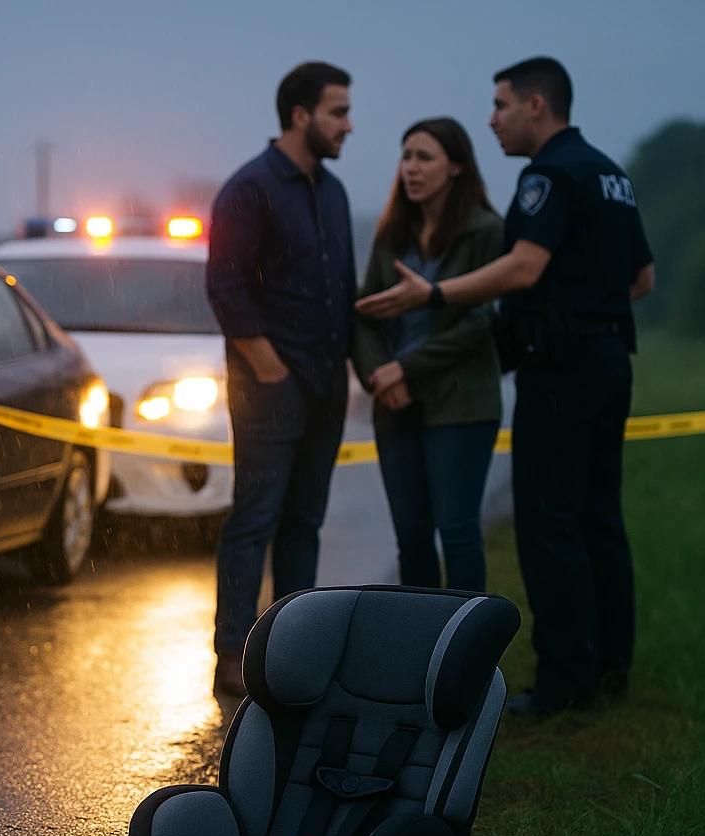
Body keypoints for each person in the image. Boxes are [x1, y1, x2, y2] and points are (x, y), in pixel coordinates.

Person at [357, 57, 655, 717]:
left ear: (537, 106)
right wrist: (588, 303)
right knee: (600, 518)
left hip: (562, 369)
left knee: (549, 525)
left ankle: (563, 684)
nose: (492, 119)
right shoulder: (611, 175)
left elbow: (522, 268)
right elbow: (642, 280)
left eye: (500, 106)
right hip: (611, 357)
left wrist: (434, 292)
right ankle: (608, 669)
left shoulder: (546, 176)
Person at [207, 62, 355, 696]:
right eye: (338, 112)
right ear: (301, 116)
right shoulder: (250, 188)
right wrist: (269, 369)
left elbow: (340, 288)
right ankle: (232, 658)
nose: (349, 125)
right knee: (254, 521)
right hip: (271, 388)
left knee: (304, 525)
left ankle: (291, 654)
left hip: (327, 386)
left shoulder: (335, 191)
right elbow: (224, 287)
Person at [352, 118, 505, 593]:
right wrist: (381, 374)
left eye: (425, 157)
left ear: (456, 167)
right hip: (396, 402)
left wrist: (407, 367)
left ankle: (469, 655)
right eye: (406, 157)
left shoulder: (485, 231)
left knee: (457, 534)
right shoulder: (392, 233)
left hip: (460, 403)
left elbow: (481, 321)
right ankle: (418, 652)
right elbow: (365, 315)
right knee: (411, 539)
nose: (411, 169)